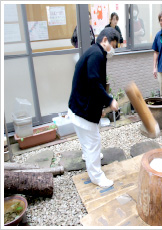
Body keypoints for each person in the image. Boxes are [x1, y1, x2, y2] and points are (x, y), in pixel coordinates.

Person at [68, 27, 120, 188]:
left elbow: (92, 84)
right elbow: (94, 83)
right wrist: (109, 100)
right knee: (93, 141)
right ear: (104, 40)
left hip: (77, 108)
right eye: (113, 45)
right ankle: (96, 176)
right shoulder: (97, 55)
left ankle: (88, 156)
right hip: (82, 111)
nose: (113, 50)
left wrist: (101, 108)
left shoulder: (94, 52)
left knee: (87, 141)